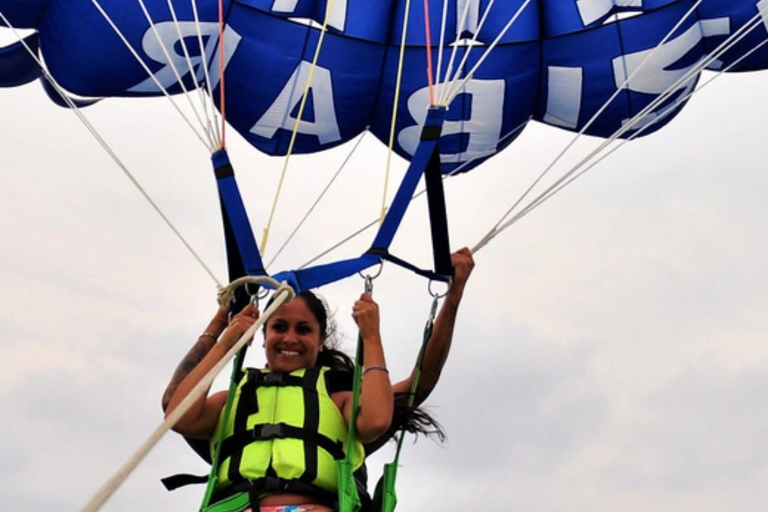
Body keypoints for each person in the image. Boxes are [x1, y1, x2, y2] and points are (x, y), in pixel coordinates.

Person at [162, 248, 475, 512]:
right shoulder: (236, 396)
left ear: (321, 340)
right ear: (263, 336)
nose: (290, 338)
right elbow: (177, 410)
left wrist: (374, 334)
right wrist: (225, 333)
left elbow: (393, 406)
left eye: (303, 330)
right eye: (280, 327)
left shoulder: (336, 394)